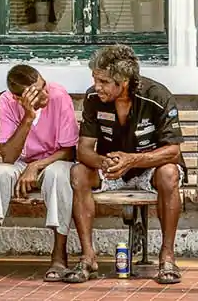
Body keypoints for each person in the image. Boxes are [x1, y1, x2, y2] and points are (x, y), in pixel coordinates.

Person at [65, 44, 186, 286]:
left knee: (169, 174)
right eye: (95, 79)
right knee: (78, 172)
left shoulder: (157, 96)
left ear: (124, 82)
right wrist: (103, 162)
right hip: (111, 168)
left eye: (104, 81)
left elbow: (173, 151)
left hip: (150, 168)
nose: (97, 86)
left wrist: (132, 160)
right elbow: (84, 150)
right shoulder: (93, 99)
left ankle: (167, 258)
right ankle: (88, 257)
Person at [0, 64, 78, 283]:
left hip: (54, 160)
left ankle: (59, 255)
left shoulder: (59, 96)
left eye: (43, 85)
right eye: (37, 93)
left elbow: (69, 151)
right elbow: (8, 156)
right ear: (19, 98)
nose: (45, 94)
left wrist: (36, 166)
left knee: (58, 176)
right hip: (20, 162)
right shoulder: (7, 102)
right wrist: (28, 117)